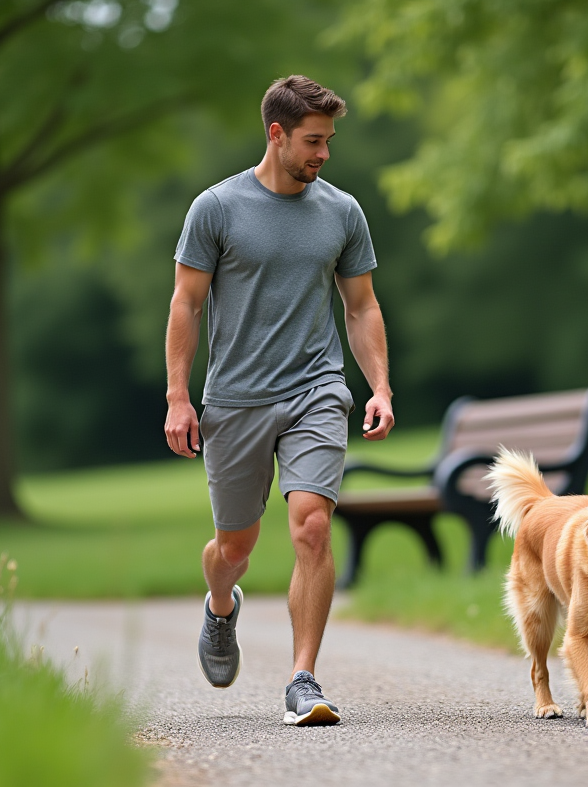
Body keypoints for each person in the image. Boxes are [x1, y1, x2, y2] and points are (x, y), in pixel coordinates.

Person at [163, 75, 394, 726]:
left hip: (316, 389)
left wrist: (379, 385)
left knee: (313, 526)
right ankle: (220, 605)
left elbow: (362, 306)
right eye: (313, 141)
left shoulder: (342, 212)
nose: (323, 153)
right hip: (235, 398)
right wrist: (179, 396)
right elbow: (186, 302)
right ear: (277, 133)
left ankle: (303, 679)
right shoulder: (216, 208)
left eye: (329, 140)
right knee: (233, 548)